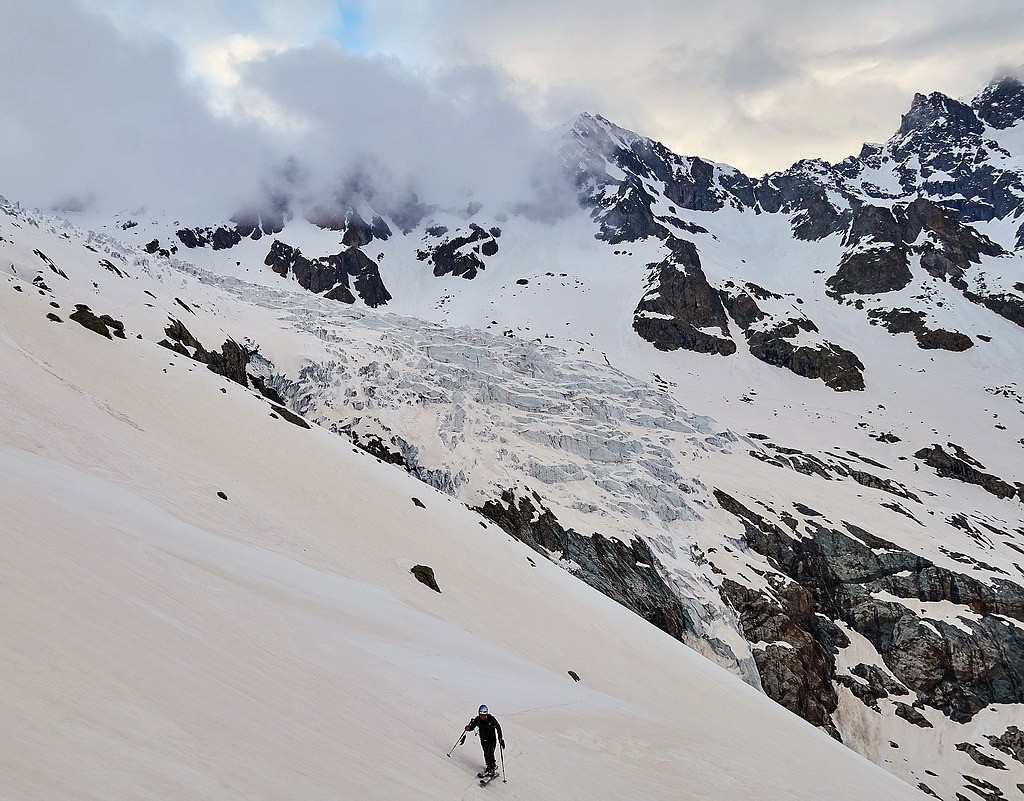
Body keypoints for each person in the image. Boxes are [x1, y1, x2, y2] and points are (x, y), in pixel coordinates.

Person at [465, 704, 504, 775]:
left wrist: (500, 738)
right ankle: (488, 766)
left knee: (490, 753)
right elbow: (472, 727)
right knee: (486, 754)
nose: (482, 717)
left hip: (492, 740)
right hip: (483, 740)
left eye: (484, 715)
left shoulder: (491, 719)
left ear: (486, 714)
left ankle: (492, 768)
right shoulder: (477, 719)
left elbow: (498, 727)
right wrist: (468, 728)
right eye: (481, 715)